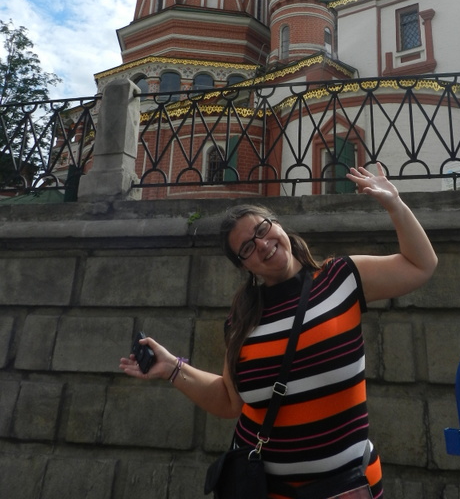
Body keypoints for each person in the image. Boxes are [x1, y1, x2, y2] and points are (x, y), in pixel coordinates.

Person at [119, 164, 437, 499]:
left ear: (279, 225)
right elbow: (230, 400)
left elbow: (421, 266)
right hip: (265, 490)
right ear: (244, 265)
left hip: (346, 488)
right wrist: (172, 368)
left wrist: (395, 204)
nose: (262, 244)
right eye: (247, 247)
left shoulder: (340, 277)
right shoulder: (242, 319)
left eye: (262, 229)